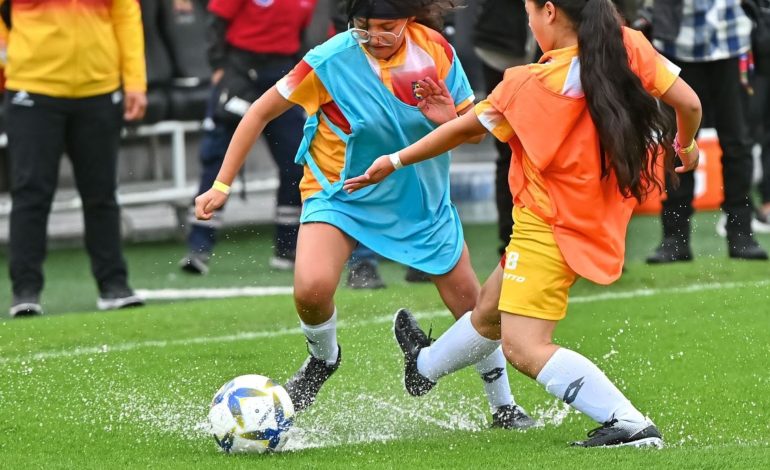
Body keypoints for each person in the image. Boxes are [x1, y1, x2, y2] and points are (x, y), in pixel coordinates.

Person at [344, 0, 702, 447]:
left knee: (523, 346)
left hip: (547, 225)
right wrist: (685, 147)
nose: (528, 22)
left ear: (550, 12)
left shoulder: (528, 83)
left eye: (530, 12)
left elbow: (461, 130)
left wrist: (392, 161)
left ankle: (628, 422)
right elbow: (688, 102)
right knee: (489, 312)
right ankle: (423, 368)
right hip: (588, 216)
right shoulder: (628, 46)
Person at [195, 0, 534, 429]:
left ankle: (503, 406)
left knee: (474, 312)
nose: (374, 37)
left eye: (387, 27)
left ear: (409, 19)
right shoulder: (328, 60)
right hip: (340, 192)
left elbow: (469, 131)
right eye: (364, 27)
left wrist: (447, 119)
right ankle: (322, 360)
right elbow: (260, 111)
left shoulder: (436, 52)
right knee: (311, 289)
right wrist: (221, 184)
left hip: (418, 196)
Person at [2, 0, 147, 316]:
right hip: (32, 88)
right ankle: (25, 291)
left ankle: (114, 285)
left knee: (102, 193)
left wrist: (135, 81)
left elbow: (126, 14)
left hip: (100, 89)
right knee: (30, 193)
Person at [178, 0, 315, 275]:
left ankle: (288, 247)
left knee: (295, 160)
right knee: (217, 158)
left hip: (283, 73)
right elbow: (216, 22)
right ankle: (199, 247)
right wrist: (220, 68)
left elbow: (299, 34)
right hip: (240, 71)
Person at [640, 0, 768, 262]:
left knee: (739, 143)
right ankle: (674, 237)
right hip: (675, 44)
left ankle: (741, 232)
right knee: (676, 144)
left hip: (734, 42)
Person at [473, 0, 530, 255]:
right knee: (509, 147)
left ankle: (581, 238)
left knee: (572, 147)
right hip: (502, 47)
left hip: (565, 53)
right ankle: (510, 240)